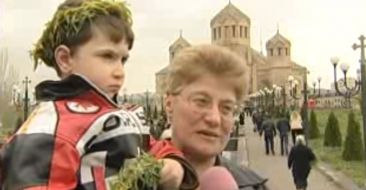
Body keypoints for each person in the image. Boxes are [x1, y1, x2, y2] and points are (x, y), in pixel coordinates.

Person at [0, 0, 198, 189]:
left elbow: (153, 146)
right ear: (65, 59)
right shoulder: (51, 127)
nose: (120, 71)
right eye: (107, 56)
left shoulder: (124, 116)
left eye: (123, 60)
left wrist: (174, 164)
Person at [164, 44, 268, 189]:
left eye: (226, 108)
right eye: (201, 102)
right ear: (169, 104)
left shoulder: (254, 187)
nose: (214, 119)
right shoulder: (132, 183)